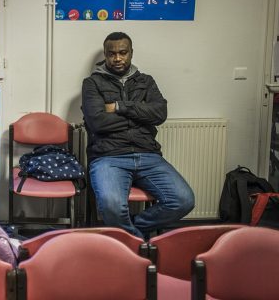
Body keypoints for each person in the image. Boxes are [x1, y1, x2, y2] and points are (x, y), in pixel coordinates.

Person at [81, 32, 194, 239]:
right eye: (111, 54)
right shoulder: (92, 83)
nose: (117, 58)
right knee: (111, 206)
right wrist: (141, 114)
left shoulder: (146, 81)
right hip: (108, 157)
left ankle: (131, 232)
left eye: (123, 53)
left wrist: (118, 107)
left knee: (183, 200)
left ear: (131, 53)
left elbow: (159, 114)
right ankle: (138, 241)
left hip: (148, 155)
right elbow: (97, 122)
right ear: (105, 55)